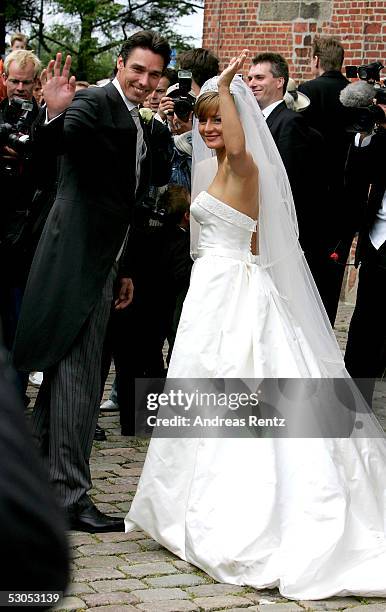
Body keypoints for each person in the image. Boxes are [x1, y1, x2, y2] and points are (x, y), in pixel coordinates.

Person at [125, 51, 386, 600]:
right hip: (212, 291)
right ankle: (181, 505)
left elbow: (243, 157)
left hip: (235, 292)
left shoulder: (243, 165)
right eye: (203, 119)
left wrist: (223, 83)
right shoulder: (213, 167)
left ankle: (243, 513)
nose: (210, 128)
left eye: (219, 117)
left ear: (239, 120)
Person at [13, 31, 171, 533]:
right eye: (137, 70)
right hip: (75, 260)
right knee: (80, 381)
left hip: (103, 261)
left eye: (153, 74)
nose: (144, 82)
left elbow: (124, 200)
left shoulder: (135, 116)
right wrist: (56, 112)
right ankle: (69, 498)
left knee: (67, 379)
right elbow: (57, 150)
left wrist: (123, 269)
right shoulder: (95, 103)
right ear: (120, 64)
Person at [298, 37, 353, 325]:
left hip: (310, 198)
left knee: (305, 271)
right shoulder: (355, 95)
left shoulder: (307, 93)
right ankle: (325, 330)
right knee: (333, 274)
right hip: (344, 198)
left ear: (317, 60)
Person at [344, 99, 386, 406]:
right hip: (377, 242)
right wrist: (364, 134)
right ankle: (354, 406)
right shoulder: (380, 138)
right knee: (364, 329)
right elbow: (358, 173)